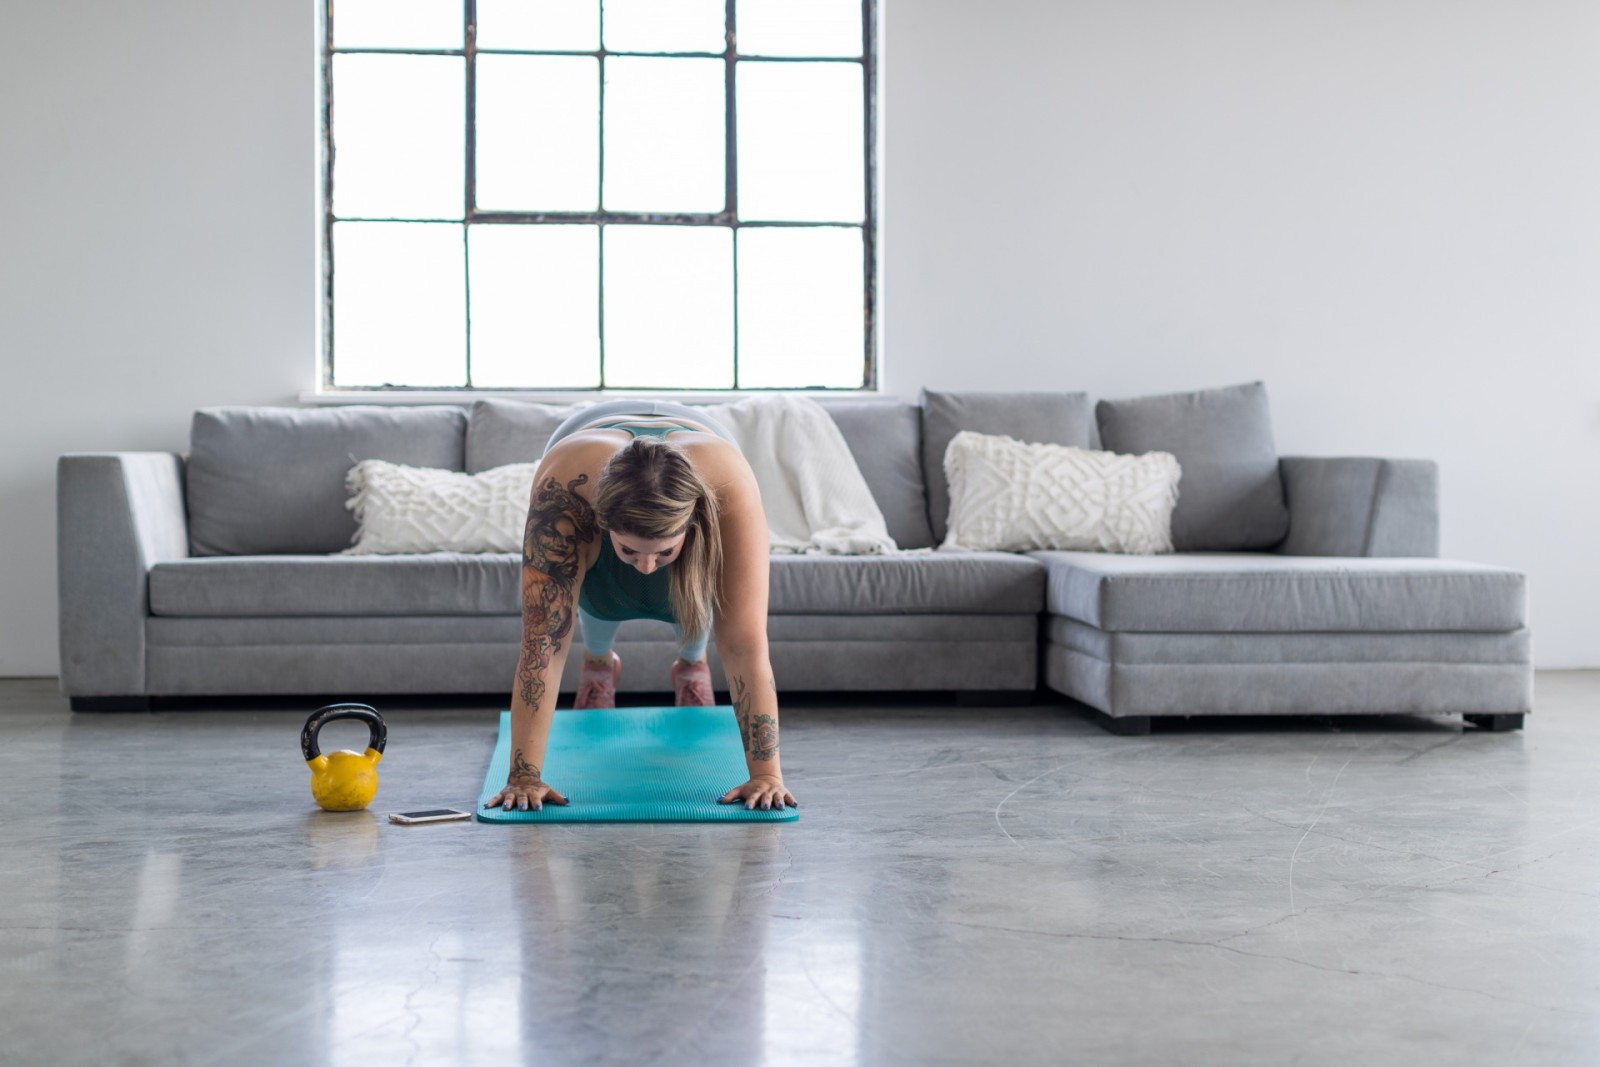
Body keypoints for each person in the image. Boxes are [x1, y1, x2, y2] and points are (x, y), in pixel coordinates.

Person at [483, 401, 798, 814]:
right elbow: (543, 642)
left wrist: (766, 774)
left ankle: (691, 663)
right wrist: (524, 776)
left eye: (662, 552)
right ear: (601, 520)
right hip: (582, 442)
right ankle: (598, 662)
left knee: (703, 581)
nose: (648, 568)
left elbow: (744, 644)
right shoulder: (566, 492)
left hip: (704, 451)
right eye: (631, 550)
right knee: (581, 585)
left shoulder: (729, 486)